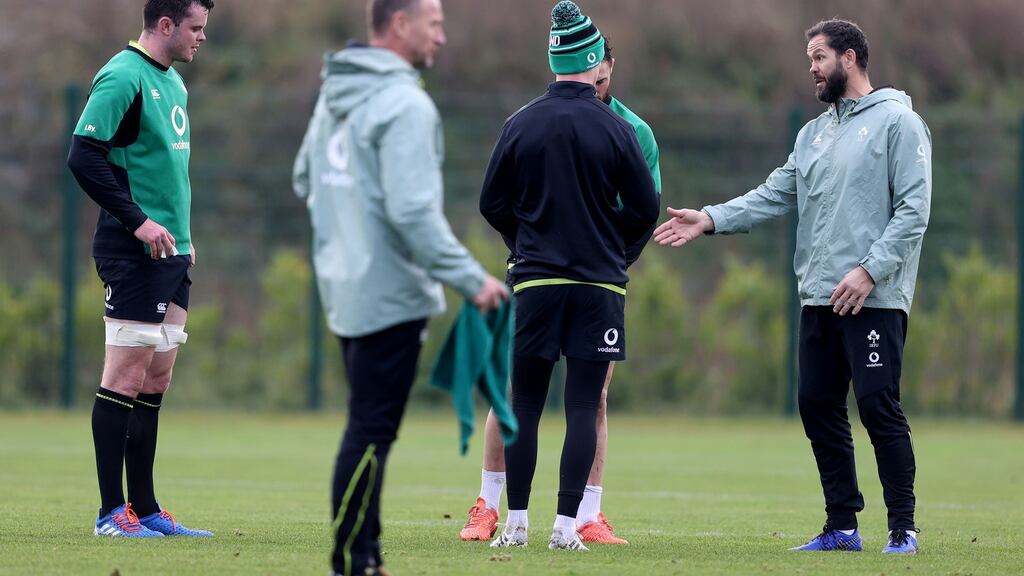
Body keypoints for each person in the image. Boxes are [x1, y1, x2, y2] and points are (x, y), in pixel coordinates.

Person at [654, 18, 930, 555]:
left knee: (877, 407)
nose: (812, 68)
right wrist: (708, 218)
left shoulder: (900, 122)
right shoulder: (813, 133)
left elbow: (914, 210)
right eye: (810, 58)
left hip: (873, 296)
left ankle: (903, 529)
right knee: (814, 403)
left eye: (819, 57)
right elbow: (773, 193)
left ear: (849, 58)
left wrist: (870, 269)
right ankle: (843, 527)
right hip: (820, 297)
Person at [291, 0, 509, 573]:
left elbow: (304, 179)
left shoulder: (334, 93)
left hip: (343, 287)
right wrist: (471, 279)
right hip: (389, 294)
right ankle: (350, 561)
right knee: (371, 431)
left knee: (368, 426)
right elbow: (414, 214)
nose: (442, 37)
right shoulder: (405, 104)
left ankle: (367, 554)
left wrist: (346, 237)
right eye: (435, 25)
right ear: (400, 25)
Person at [460, 36, 661, 546]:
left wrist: (524, 242)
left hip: (537, 281)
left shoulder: (521, 122)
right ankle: (567, 527)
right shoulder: (618, 129)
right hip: (599, 286)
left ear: (551, 62)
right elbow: (645, 208)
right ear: (595, 65)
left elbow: (491, 201)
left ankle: (516, 524)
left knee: (523, 403)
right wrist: (614, 252)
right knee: (583, 406)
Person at [67, 0, 215, 539]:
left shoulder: (173, 83)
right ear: (167, 24)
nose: (202, 38)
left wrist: (183, 236)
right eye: (196, 28)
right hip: (133, 250)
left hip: (173, 253)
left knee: (156, 377)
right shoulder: (122, 75)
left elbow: (167, 170)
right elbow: (83, 155)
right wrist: (139, 223)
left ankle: (146, 508)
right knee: (124, 376)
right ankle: (111, 513)